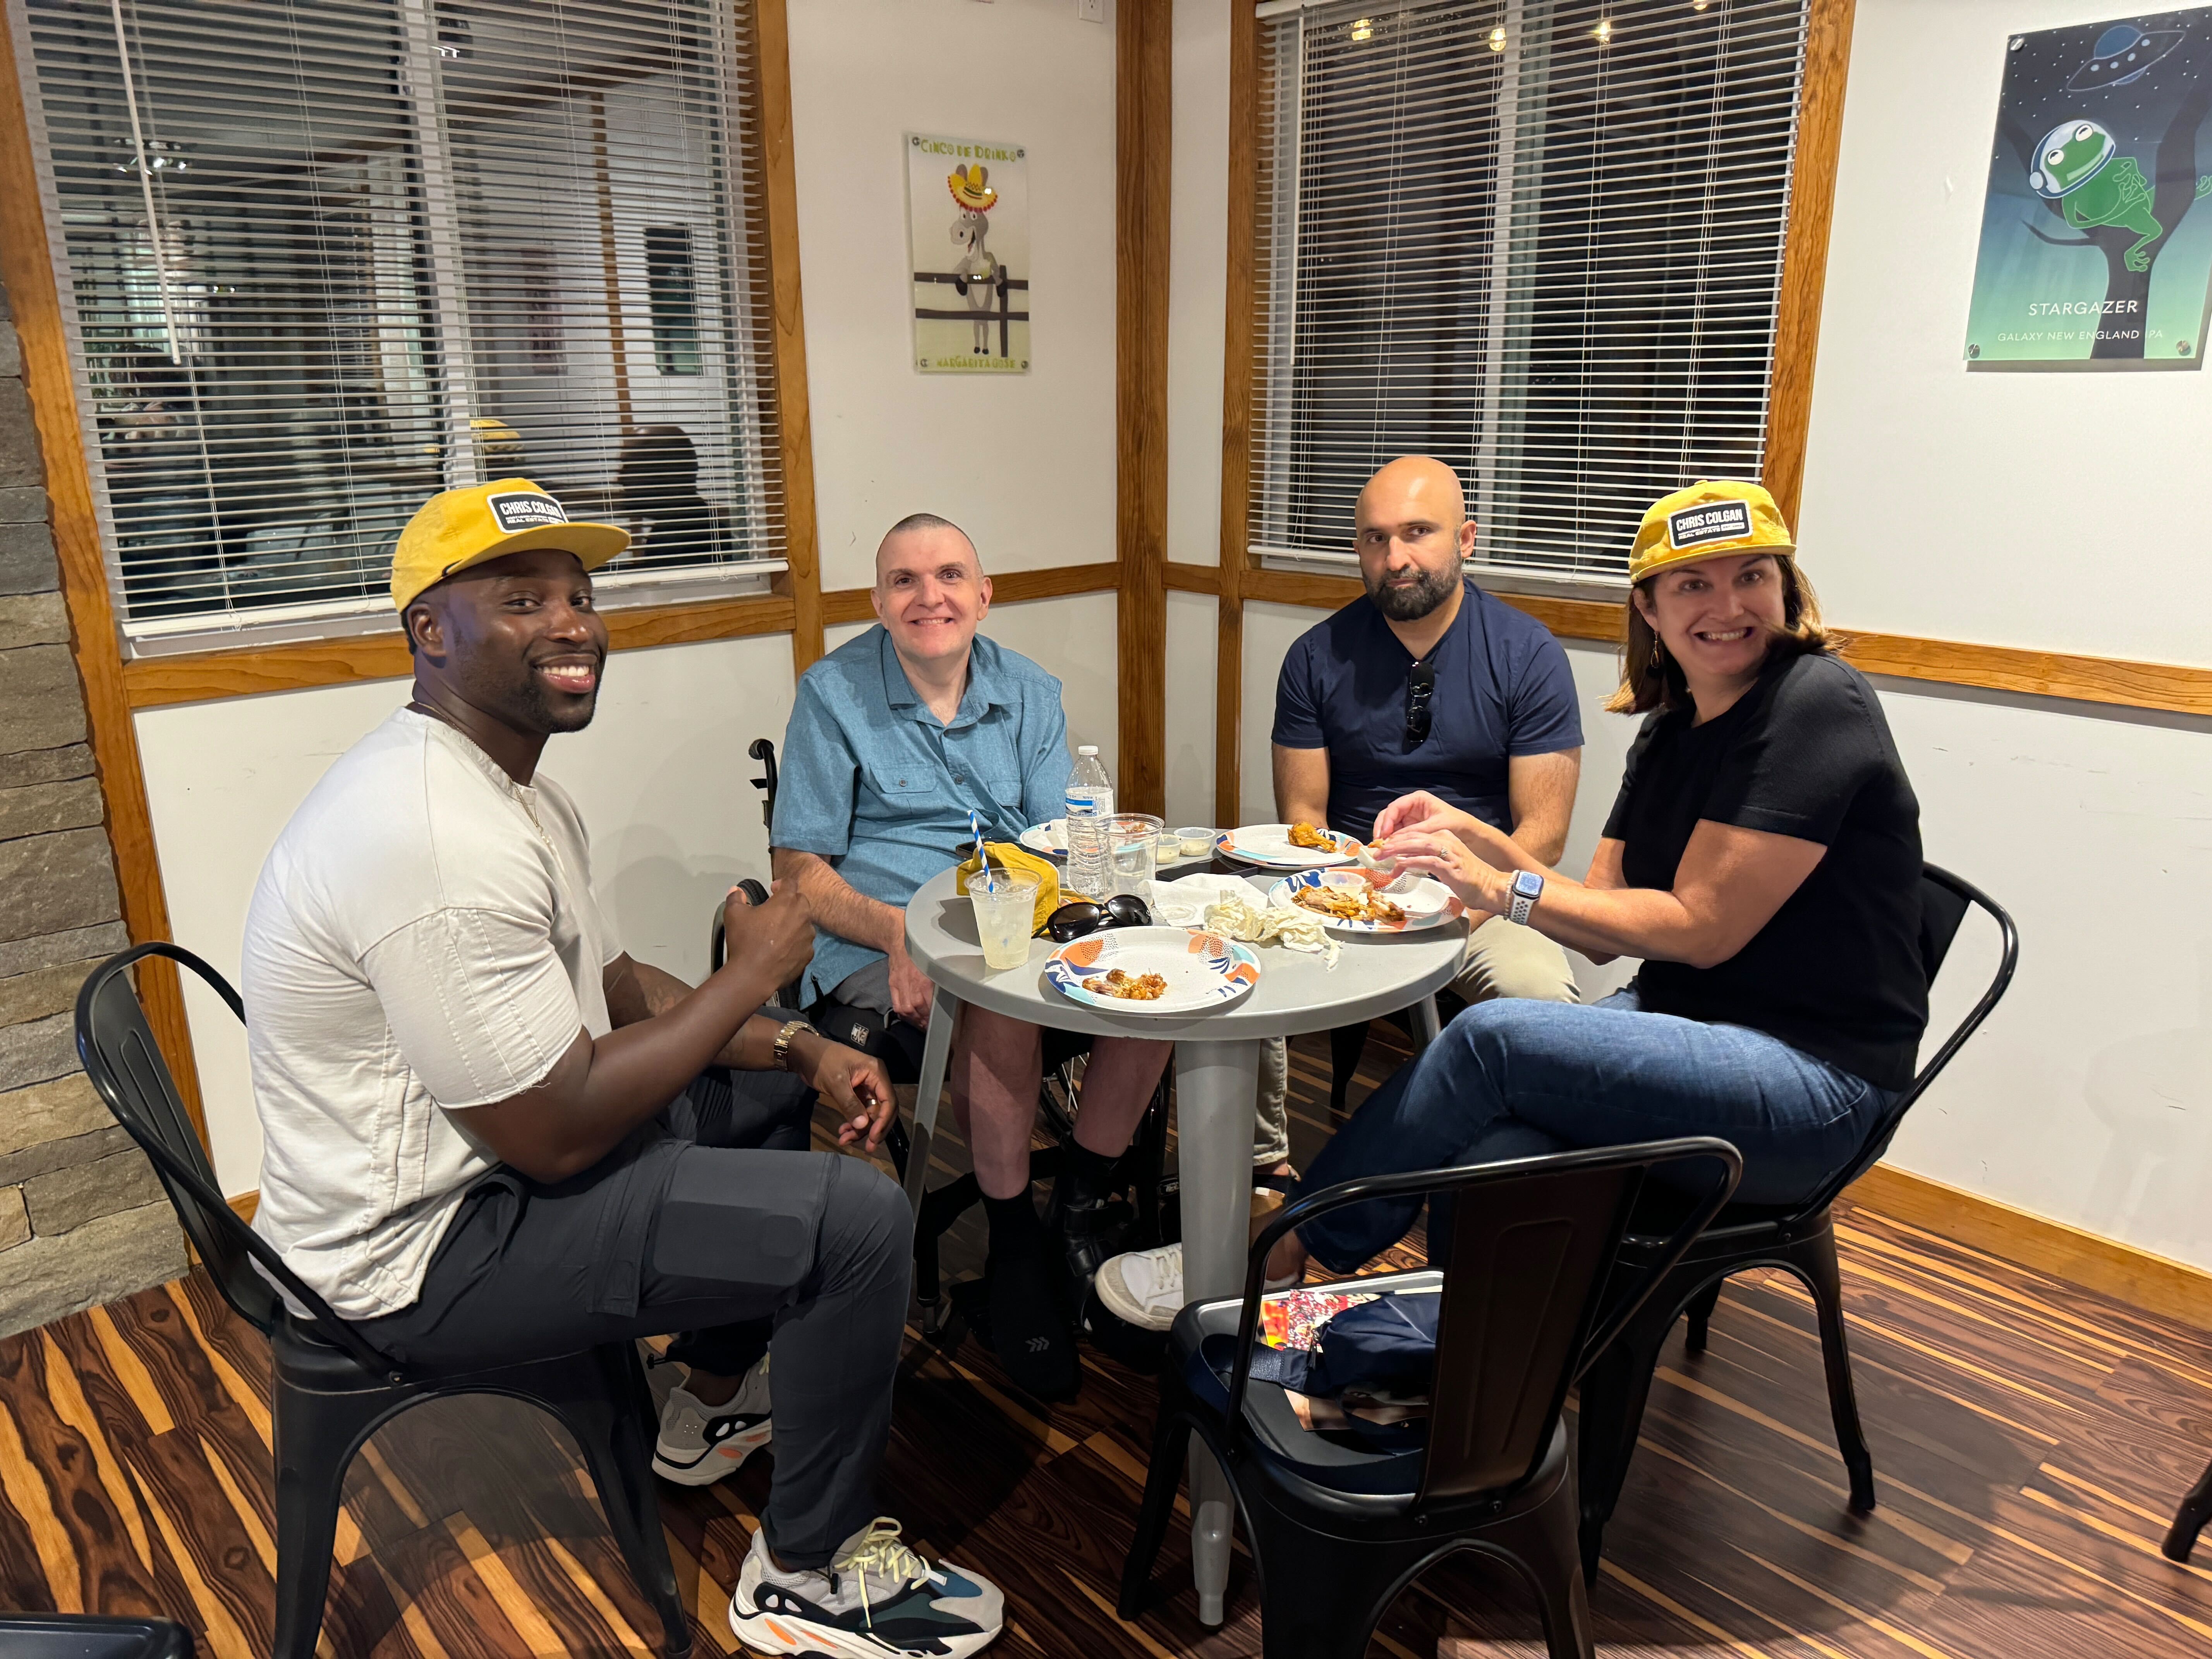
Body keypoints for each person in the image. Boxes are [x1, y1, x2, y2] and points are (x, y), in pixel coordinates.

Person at [242, 478, 1004, 1659]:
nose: (571, 621)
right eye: (521, 597)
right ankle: (804, 1569)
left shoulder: (507, 787)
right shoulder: (431, 833)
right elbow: (555, 1131)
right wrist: (755, 980)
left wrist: (799, 1044)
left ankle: (710, 1391)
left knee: (757, 1088)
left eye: (581, 596)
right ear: (428, 632)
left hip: (487, 1172)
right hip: (424, 1251)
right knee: (856, 1221)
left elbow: (617, 991)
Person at [1242, 479, 1928, 1287]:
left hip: (1813, 1082)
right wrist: (1477, 836)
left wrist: (1497, 891)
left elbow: (1702, 929)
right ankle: (1455, 1378)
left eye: (1752, 576)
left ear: (1786, 587)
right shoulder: (1675, 722)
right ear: (1650, 608)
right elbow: (1603, 913)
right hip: (1690, 1024)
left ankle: (1290, 1250)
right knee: (1490, 1159)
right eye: (1692, 585)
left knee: (1490, 1041)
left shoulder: (1815, 702)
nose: (1727, 604)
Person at [1091, 455, 1585, 1333]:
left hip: (1476, 894)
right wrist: (1350, 893)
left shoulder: (1528, 654)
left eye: (1418, 534)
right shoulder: (1317, 656)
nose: (1396, 557)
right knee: (1237, 970)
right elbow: (1304, 819)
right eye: (1375, 538)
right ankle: (1264, 1179)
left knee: (1541, 1001)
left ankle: (1498, 1228)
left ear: (1465, 541)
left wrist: (1466, 897)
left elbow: (1541, 837)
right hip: (1345, 890)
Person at [771, 513, 1171, 1399]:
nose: (930, 597)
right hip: (879, 938)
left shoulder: (1029, 691)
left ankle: (1078, 1209)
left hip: (1011, 917)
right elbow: (797, 873)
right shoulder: (833, 697)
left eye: (950, 576)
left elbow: (1050, 842)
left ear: (983, 597)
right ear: (878, 603)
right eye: (905, 582)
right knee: (990, 997)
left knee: (1158, 972)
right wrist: (900, 934)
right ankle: (1014, 1238)